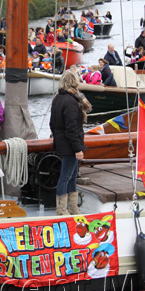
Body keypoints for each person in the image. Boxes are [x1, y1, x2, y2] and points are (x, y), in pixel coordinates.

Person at [50, 71, 90, 216]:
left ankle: (72, 207)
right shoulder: (71, 102)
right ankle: (61, 210)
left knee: (72, 176)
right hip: (69, 144)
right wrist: (78, 148)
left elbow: (52, 123)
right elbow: (72, 128)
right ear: (74, 82)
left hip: (61, 142)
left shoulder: (57, 99)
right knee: (66, 176)